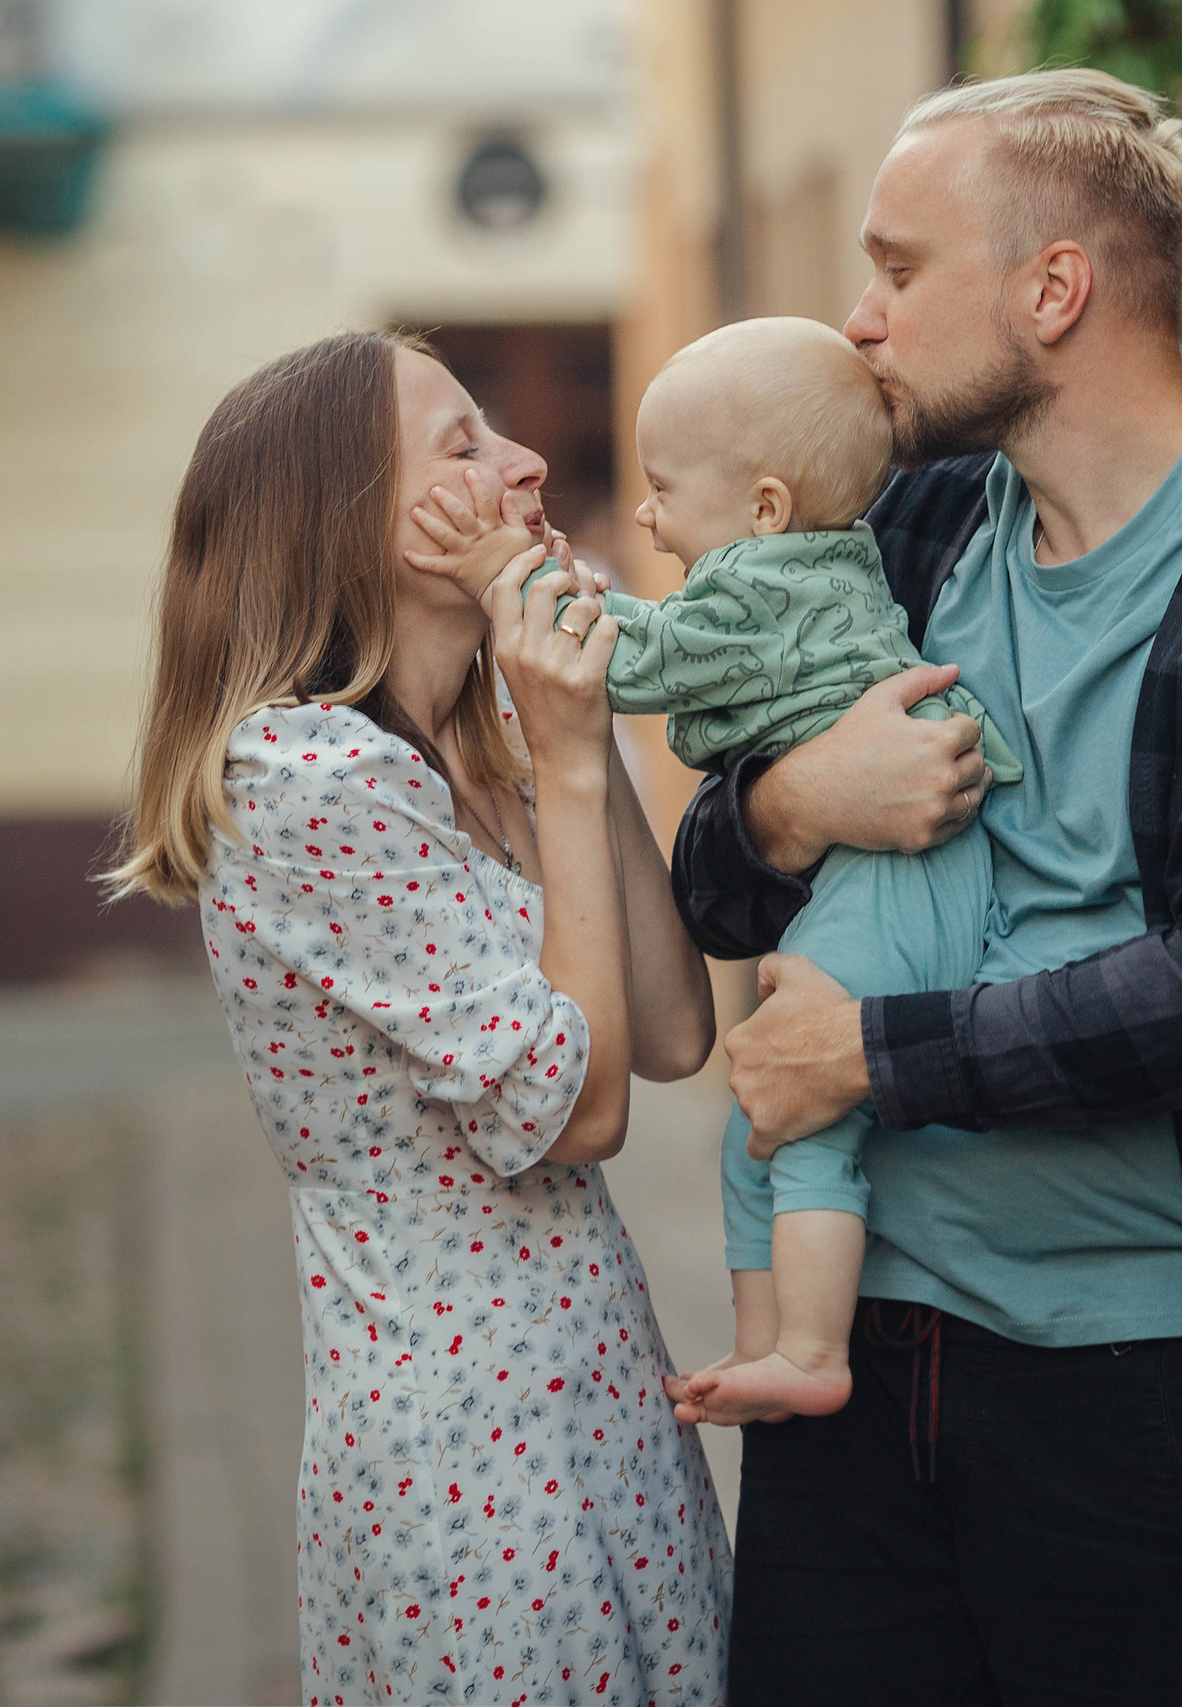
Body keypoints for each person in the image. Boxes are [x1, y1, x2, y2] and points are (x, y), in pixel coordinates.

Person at [667, 71, 1182, 1705]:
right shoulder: (903, 538)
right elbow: (715, 883)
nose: (861, 317)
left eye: (900, 269)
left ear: (1055, 289)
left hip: (1149, 1396)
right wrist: (790, 798)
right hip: (853, 1362)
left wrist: (868, 1056)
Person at [107, 330, 732, 1704]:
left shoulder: (476, 740)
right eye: (461, 446)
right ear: (351, 526)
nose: (526, 466)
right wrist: (566, 756)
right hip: (474, 1462)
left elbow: (675, 1028)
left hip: (601, 1393)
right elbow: (584, 1109)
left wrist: (562, 711)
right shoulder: (305, 779)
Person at [414, 314, 1019, 1429]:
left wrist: (510, 577)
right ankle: (763, 1347)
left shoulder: (766, 587)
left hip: (896, 884)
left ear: (763, 510)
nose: (641, 513)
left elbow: (626, 661)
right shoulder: (810, 564)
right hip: (879, 874)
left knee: (810, 1115)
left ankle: (812, 1350)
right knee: (759, 1119)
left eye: (662, 488)